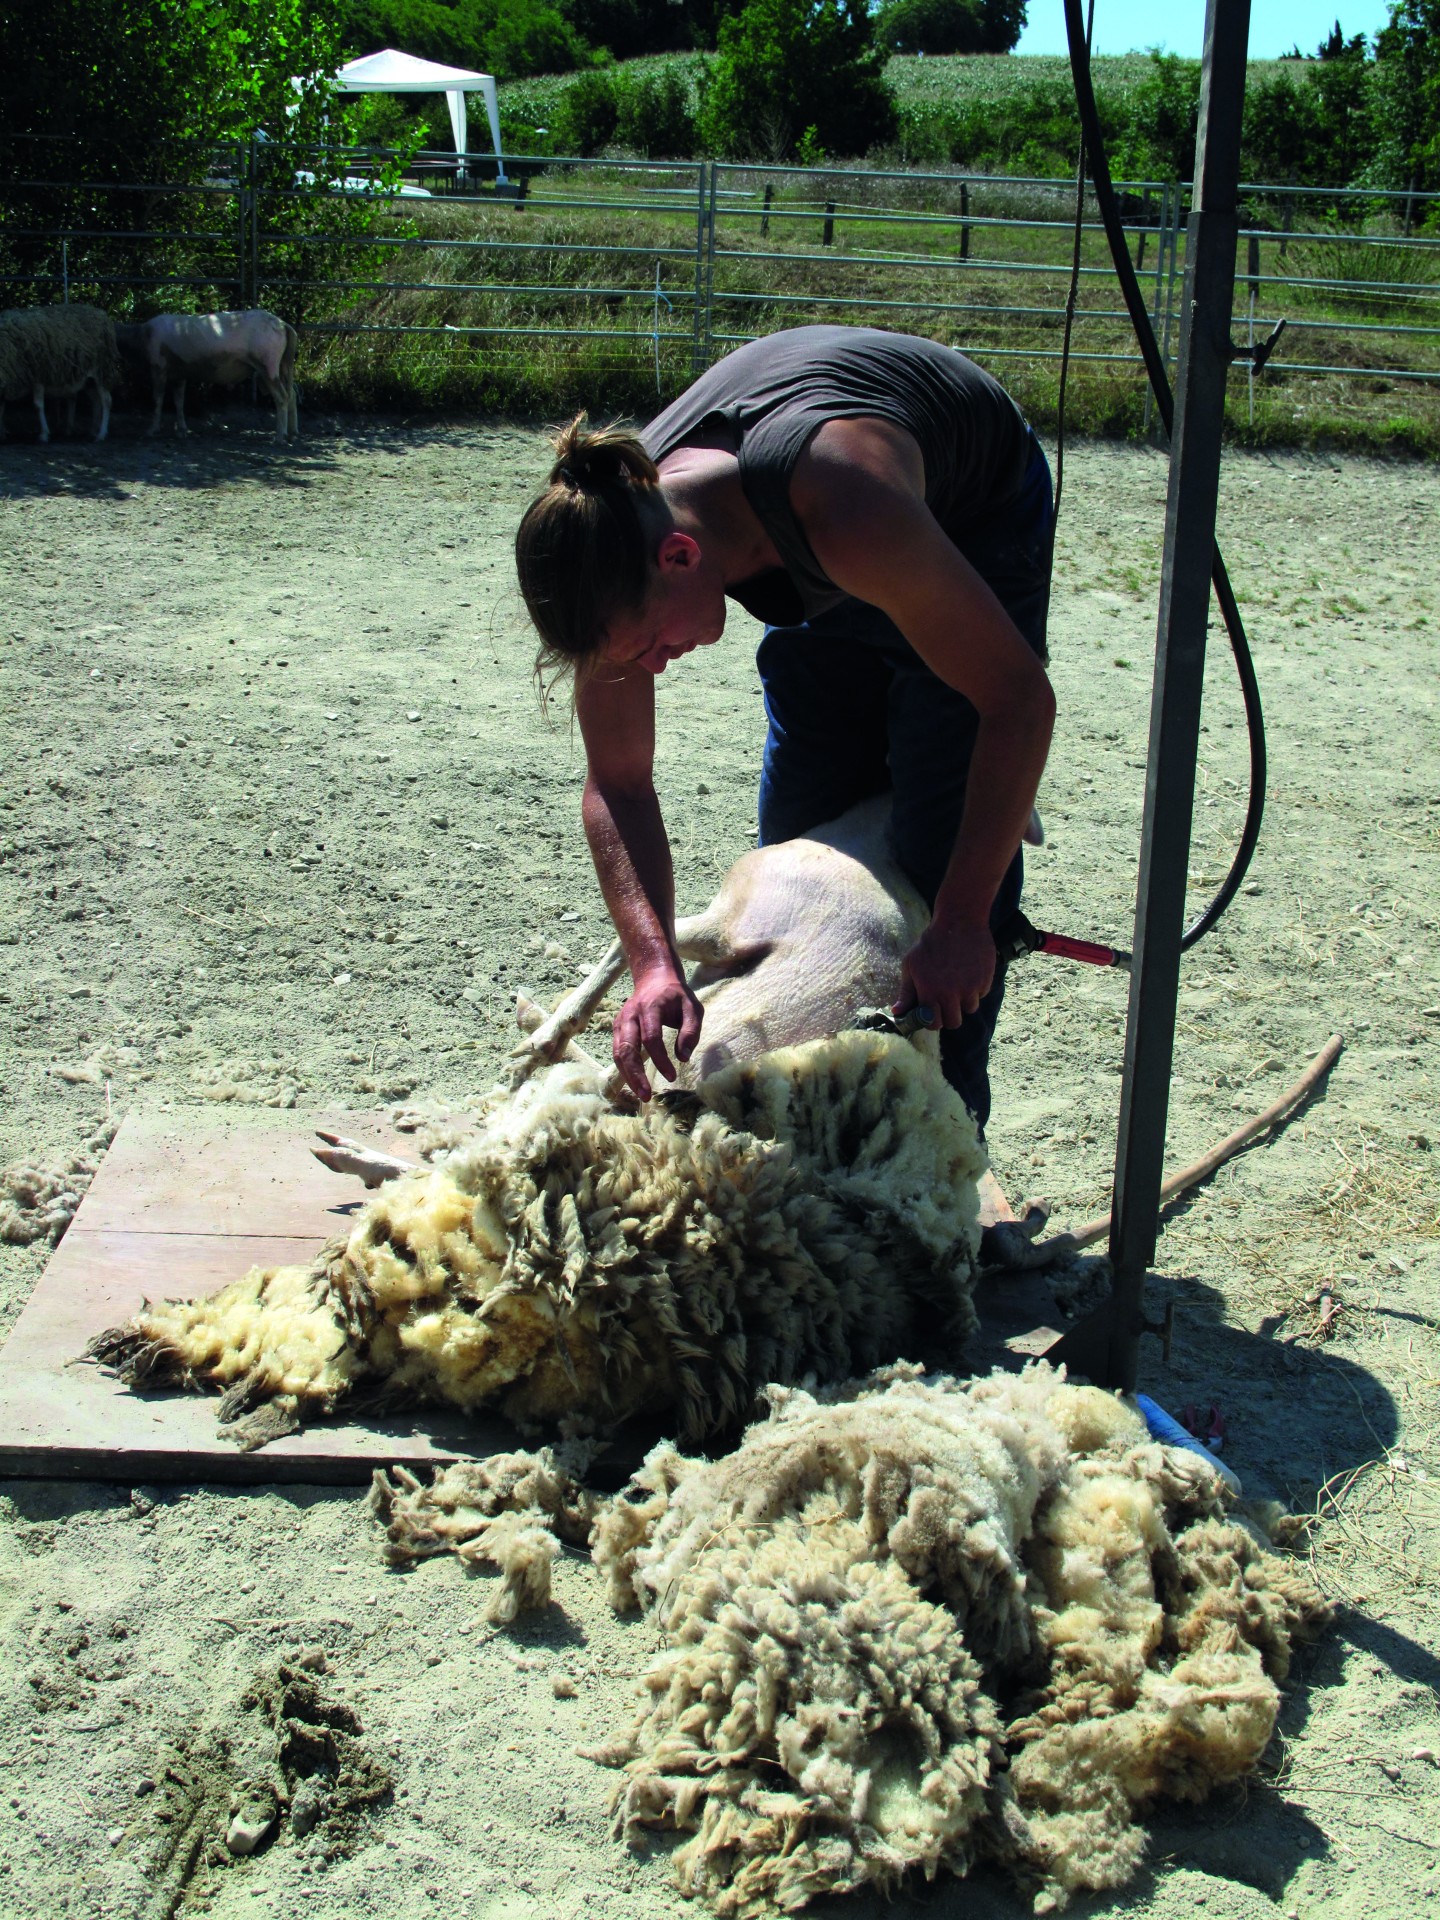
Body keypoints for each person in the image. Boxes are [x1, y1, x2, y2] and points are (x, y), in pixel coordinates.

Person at [514, 324, 1056, 1127]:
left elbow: (1017, 705)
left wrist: (966, 921)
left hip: (960, 519)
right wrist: (654, 961)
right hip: (804, 548)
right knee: (805, 860)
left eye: (653, 645)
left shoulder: (845, 503)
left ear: (681, 559)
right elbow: (618, 779)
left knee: (945, 867)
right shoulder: (609, 532)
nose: (656, 666)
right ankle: (800, 1126)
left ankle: (937, 1152)